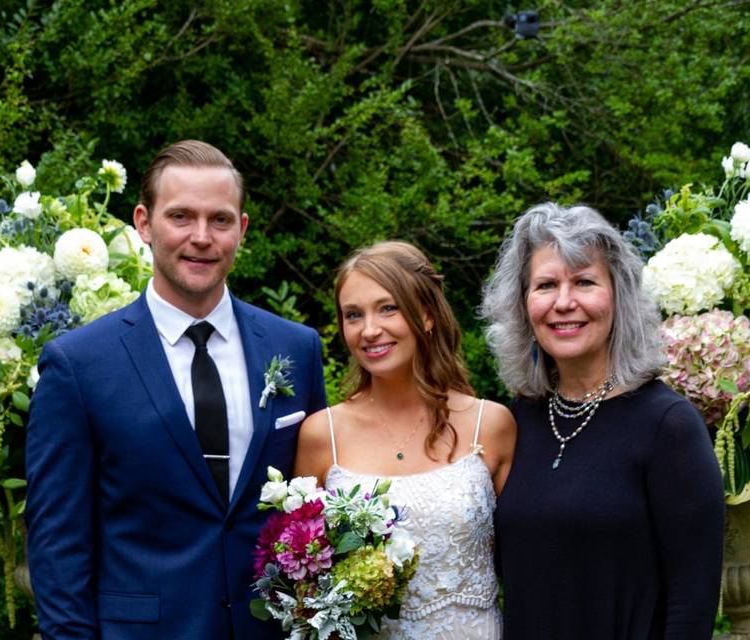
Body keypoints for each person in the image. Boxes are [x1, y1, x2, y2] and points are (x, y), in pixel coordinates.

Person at [25, 140, 327, 639]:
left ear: (242, 229)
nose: (202, 237)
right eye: (181, 216)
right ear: (144, 223)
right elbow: (58, 545)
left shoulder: (296, 347)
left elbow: (314, 512)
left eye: (221, 220)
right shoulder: (78, 365)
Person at [481, 202, 725, 639]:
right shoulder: (519, 419)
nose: (564, 302)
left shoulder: (668, 426)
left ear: (619, 297)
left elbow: (693, 602)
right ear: (522, 305)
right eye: (546, 285)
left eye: (584, 282)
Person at [295, 241, 516, 640]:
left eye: (388, 308)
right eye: (353, 315)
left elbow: (524, 564)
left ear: (427, 315)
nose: (369, 330)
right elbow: (304, 580)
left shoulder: (491, 424)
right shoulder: (321, 435)